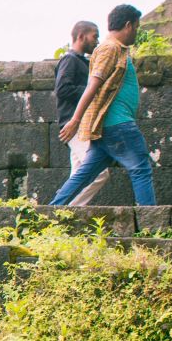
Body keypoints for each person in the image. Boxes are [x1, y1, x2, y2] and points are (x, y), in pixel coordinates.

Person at [50, 4, 156, 206]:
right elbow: (93, 86)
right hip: (118, 123)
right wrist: (75, 120)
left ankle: (52, 210)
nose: (136, 32)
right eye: (136, 27)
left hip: (108, 126)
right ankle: (151, 227)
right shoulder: (110, 48)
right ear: (128, 25)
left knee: (84, 174)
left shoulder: (115, 49)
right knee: (141, 169)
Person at [53, 20, 108, 205]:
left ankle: (62, 217)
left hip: (81, 125)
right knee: (99, 173)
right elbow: (62, 90)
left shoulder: (82, 62)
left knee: (77, 175)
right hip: (74, 125)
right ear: (81, 36)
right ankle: (66, 210)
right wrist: (91, 91)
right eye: (95, 36)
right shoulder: (69, 60)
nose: (97, 40)